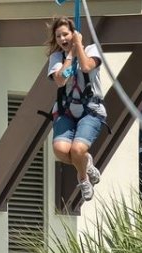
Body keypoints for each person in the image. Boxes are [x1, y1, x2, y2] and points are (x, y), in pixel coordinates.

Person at [45, 16, 106, 201]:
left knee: (77, 149)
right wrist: (70, 55)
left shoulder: (91, 50)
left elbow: (87, 67)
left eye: (66, 34)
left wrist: (78, 46)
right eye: (58, 36)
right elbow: (60, 79)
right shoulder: (57, 57)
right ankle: (86, 162)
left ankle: (83, 179)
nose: (62, 39)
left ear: (74, 34)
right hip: (67, 110)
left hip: (91, 110)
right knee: (61, 150)